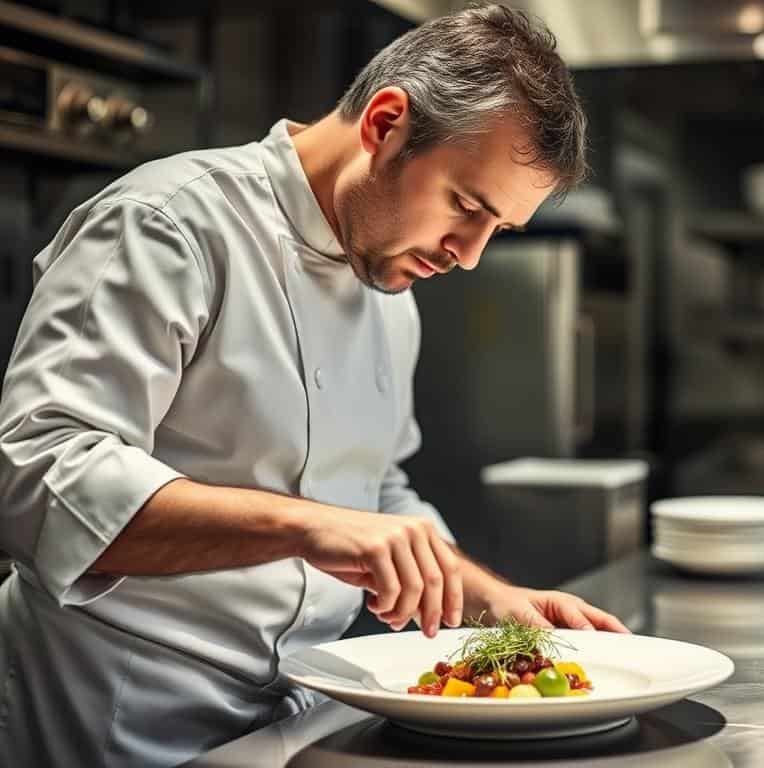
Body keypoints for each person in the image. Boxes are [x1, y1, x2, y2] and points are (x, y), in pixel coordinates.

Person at [0, 5, 629, 767]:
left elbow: (376, 493)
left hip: (294, 720)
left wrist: (488, 598)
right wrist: (305, 525)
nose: (467, 255)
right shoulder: (168, 225)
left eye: (498, 230)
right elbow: (38, 478)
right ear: (386, 123)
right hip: (114, 718)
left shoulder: (391, 288)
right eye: (466, 206)